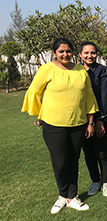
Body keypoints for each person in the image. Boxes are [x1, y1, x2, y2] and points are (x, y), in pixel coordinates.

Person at [21, 38, 98, 214]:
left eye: (68, 51)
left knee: (73, 160)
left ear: (73, 52)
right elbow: (34, 91)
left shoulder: (80, 70)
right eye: (61, 51)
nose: (65, 54)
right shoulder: (46, 69)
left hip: (78, 123)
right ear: (54, 52)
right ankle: (62, 195)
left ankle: (72, 196)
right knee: (60, 162)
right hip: (53, 125)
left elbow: (88, 96)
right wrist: (40, 114)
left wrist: (91, 122)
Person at [79, 42, 107, 197]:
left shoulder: (102, 71)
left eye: (93, 53)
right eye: (86, 53)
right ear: (80, 55)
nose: (89, 56)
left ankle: (106, 181)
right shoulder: (76, 71)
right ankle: (95, 180)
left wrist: (100, 119)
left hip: (100, 118)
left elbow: (105, 97)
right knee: (88, 152)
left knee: (102, 150)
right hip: (80, 120)